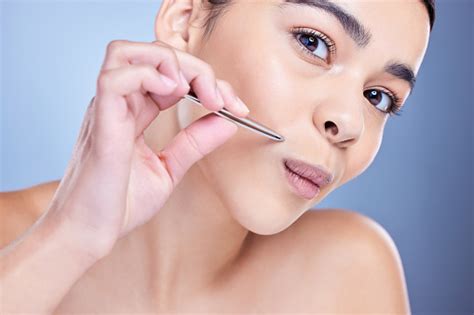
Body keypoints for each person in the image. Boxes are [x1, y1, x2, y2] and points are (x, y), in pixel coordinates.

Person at [0, 0, 435, 313]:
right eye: (313, 43)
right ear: (186, 20)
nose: (349, 122)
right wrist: (72, 237)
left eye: (379, 98)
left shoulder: (350, 271)